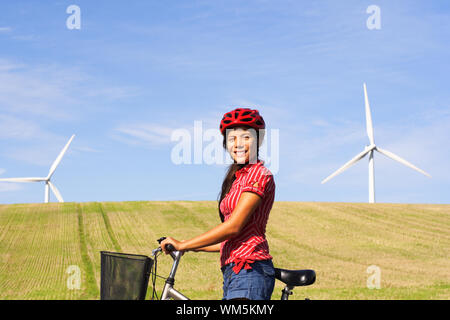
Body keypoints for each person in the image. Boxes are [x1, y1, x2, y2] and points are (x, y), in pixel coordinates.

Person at [161, 107, 276, 300]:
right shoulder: (237, 180)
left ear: (259, 140)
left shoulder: (258, 174)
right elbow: (230, 241)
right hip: (233, 273)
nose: (238, 144)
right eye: (232, 139)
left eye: (246, 137)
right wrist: (190, 246)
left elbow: (234, 227)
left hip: (250, 270)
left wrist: (183, 244)